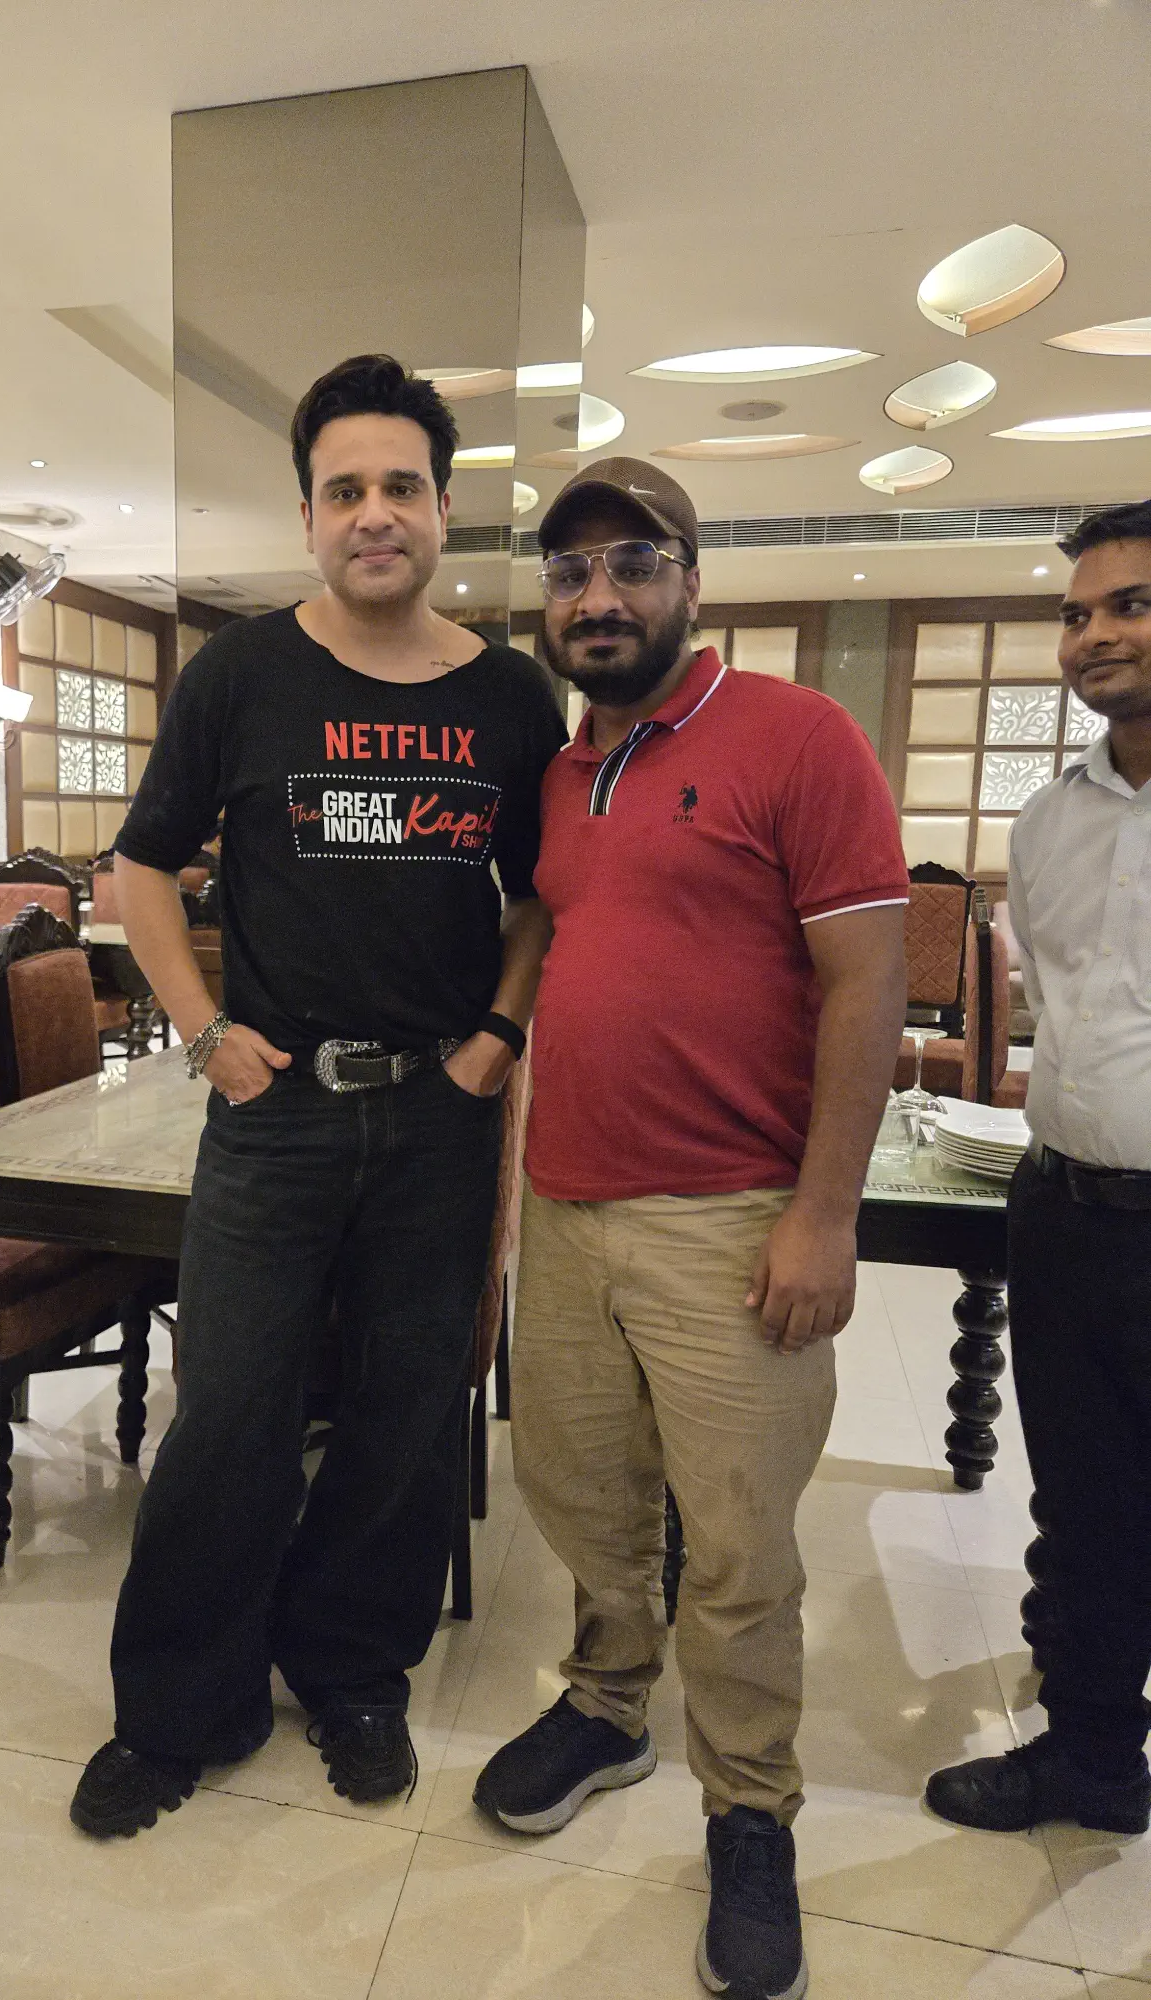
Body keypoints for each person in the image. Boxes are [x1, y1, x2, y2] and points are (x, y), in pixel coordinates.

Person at [70, 354, 565, 1839]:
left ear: (443, 508)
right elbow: (140, 867)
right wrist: (203, 1027)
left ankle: (352, 1670)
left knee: (407, 1411)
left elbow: (541, 894)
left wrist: (498, 1036)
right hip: (274, 1113)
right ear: (307, 516)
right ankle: (180, 1708)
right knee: (229, 1410)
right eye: (344, 489)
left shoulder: (509, 695)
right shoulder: (238, 676)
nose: (374, 513)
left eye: (401, 485)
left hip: (438, 1114)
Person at [471, 458, 909, 2000]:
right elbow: (550, 918)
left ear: (690, 582)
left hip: (732, 1218)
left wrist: (825, 1213)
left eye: (632, 563)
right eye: (570, 571)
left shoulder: (797, 736)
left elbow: (869, 982)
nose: (598, 596)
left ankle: (751, 1808)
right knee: (577, 1488)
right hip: (567, 1205)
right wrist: (499, 1042)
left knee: (734, 1541)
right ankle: (606, 1703)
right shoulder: (560, 773)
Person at [927, 500, 1151, 1841]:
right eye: (1076, 613)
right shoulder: (1050, 821)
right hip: (1066, 1207)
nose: (1093, 635)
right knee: (1081, 1502)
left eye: (1132, 604)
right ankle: (1094, 1762)